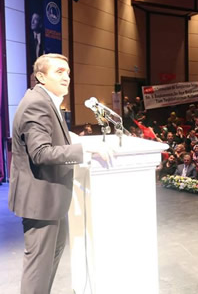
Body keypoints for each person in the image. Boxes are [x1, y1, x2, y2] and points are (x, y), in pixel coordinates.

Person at [8, 54, 110, 294]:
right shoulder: (37, 103)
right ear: (41, 77)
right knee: (38, 267)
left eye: (68, 72)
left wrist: (73, 140)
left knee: (50, 257)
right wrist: (83, 149)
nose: (66, 77)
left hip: (50, 198)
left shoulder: (46, 100)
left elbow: (49, 139)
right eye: (59, 72)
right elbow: (41, 153)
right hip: (40, 199)